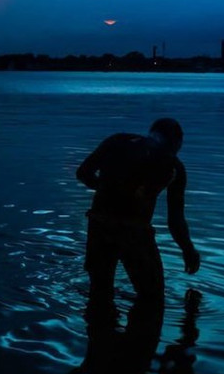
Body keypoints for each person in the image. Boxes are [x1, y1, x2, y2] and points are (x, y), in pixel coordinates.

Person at [76, 117, 200, 304]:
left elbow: (83, 173)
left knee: (99, 291)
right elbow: (175, 220)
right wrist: (188, 249)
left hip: (100, 224)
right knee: (152, 297)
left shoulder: (117, 141)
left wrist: (106, 191)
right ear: (177, 142)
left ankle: (98, 328)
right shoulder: (174, 167)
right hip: (135, 232)